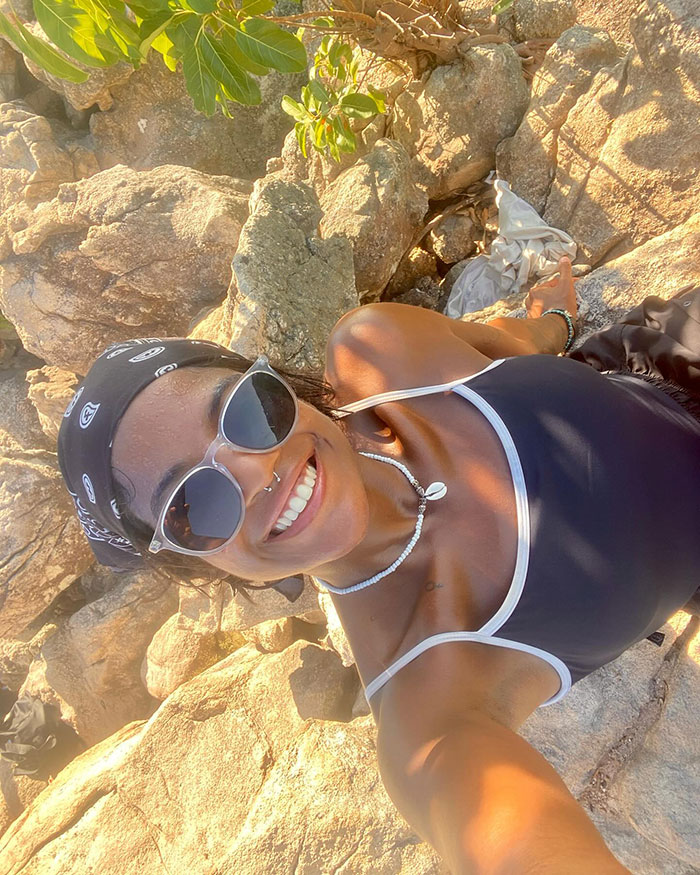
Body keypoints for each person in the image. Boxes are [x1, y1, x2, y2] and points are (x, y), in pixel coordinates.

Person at [56, 257, 700, 874]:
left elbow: (512, 343)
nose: (258, 472)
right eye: (193, 502)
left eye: (243, 409)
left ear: (278, 383)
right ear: (201, 568)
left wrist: (552, 322)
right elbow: (511, 837)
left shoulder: (378, 347)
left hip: (665, 358)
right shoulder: (431, 713)